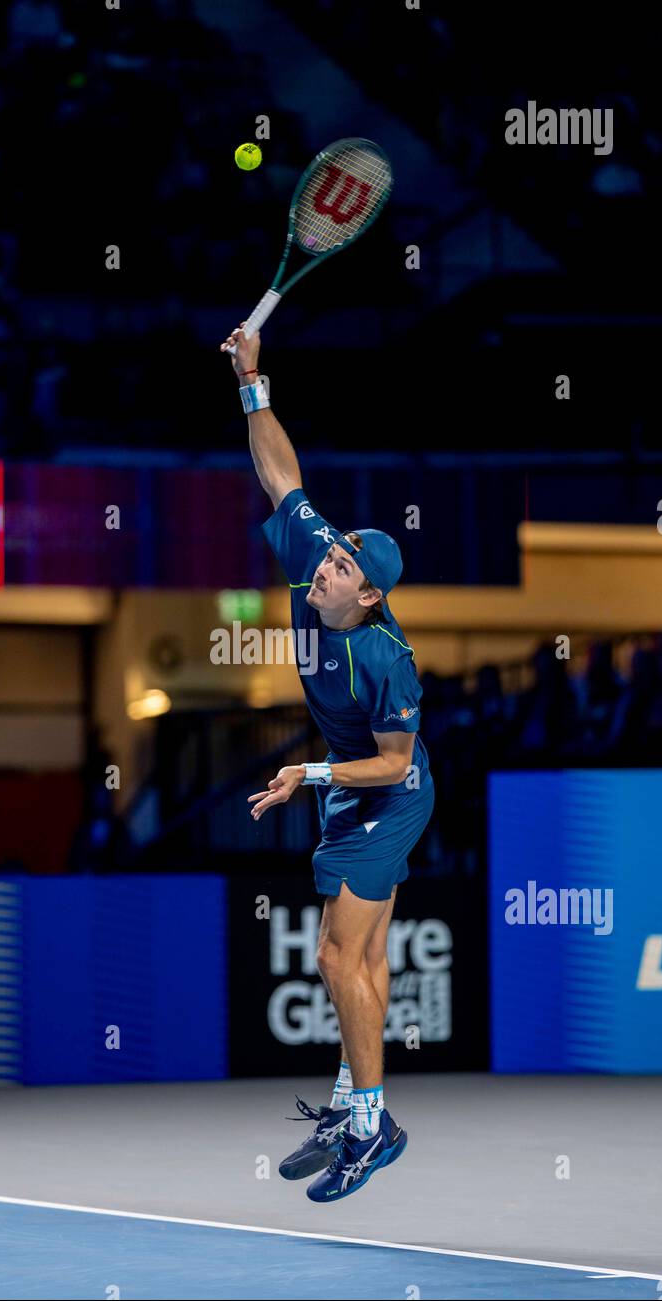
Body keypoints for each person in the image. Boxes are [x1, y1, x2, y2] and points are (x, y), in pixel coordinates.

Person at [220, 321, 435, 1202]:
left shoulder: (387, 658)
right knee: (370, 962)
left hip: (391, 792)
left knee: (335, 962)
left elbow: (395, 764)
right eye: (332, 552)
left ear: (370, 594)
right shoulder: (313, 555)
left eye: (343, 563)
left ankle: (370, 1127)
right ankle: (354, 1102)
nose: (327, 563)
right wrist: (252, 381)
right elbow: (282, 475)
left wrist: (307, 775)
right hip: (352, 786)